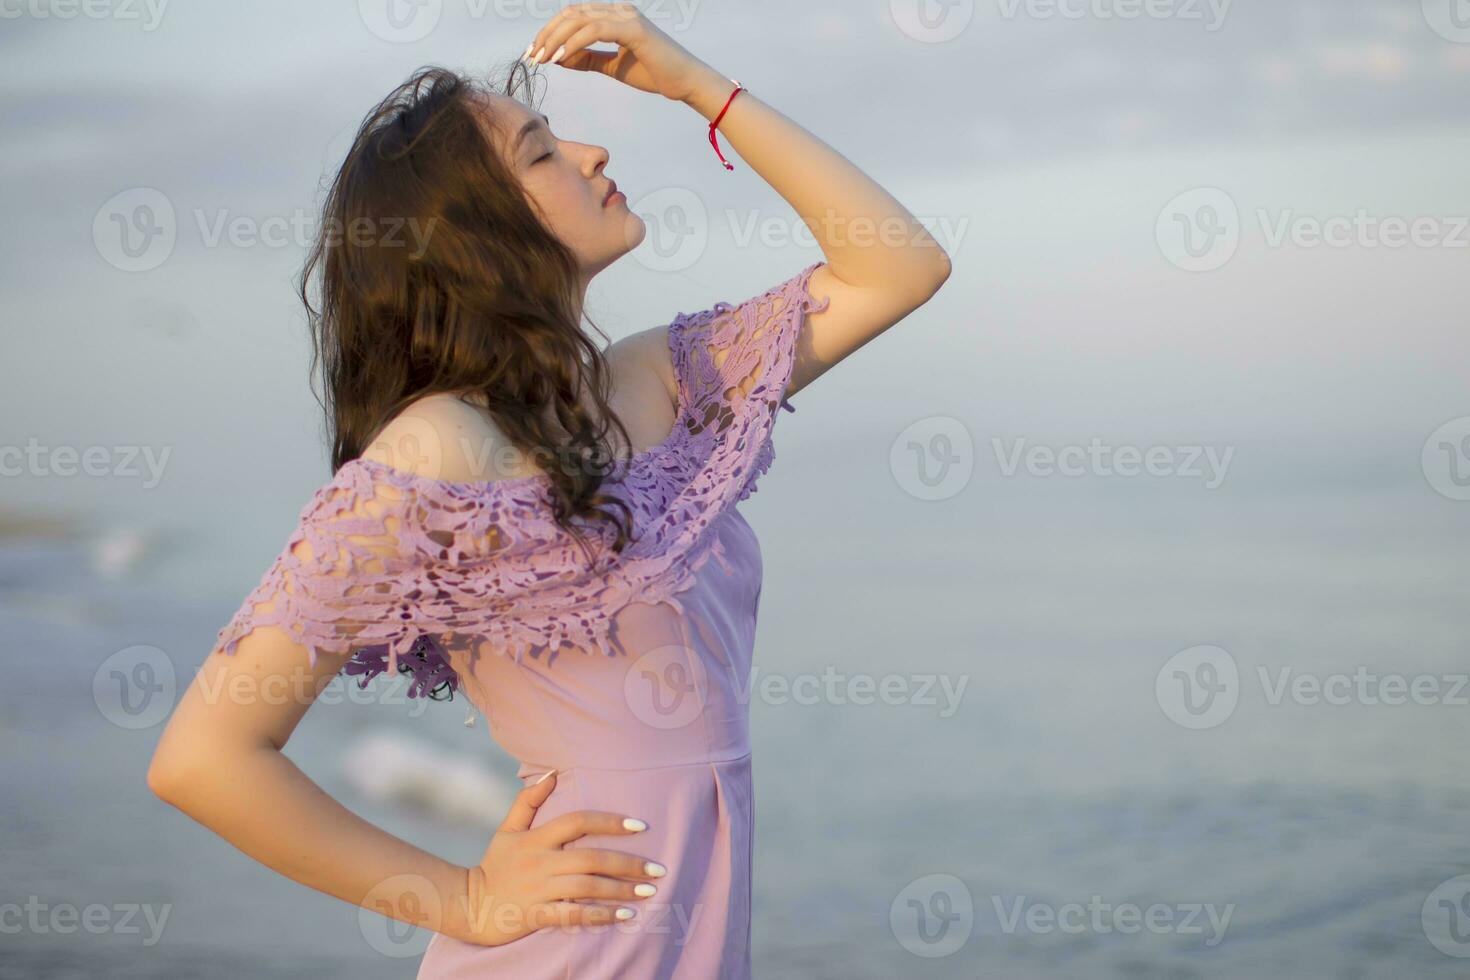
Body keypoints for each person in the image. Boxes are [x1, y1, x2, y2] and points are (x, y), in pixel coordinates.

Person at [147, 4, 951, 976]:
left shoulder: (663, 377)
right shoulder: (439, 446)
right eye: (541, 152)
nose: (593, 148)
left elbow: (900, 266)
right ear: (479, 233)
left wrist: (700, 83)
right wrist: (468, 897)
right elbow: (205, 755)